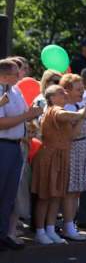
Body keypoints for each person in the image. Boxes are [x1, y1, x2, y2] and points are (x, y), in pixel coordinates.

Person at [31, 85, 86, 244]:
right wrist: (80, 113)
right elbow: (67, 116)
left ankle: (50, 228)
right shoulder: (53, 110)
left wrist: (81, 116)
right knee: (45, 196)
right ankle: (40, 231)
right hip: (49, 156)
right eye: (60, 93)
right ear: (51, 98)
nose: (64, 94)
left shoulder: (64, 111)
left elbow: (73, 134)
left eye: (64, 92)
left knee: (56, 195)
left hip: (62, 156)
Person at [0, 60, 42, 248]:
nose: (20, 76)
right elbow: (1, 123)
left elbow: (23, 115)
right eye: (16, 73)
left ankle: (4, 235)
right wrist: (26, 116)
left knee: (10, 194)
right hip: (3, 146)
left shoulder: (15, 90)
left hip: (16, 146)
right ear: (4, 75)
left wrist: (32, 116)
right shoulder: (1, 91)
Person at [60, 74, 86, 241]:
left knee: (77, 191)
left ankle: (70, 225)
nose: (82, 92)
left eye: (82, 88)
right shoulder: (66, 107)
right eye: (78, 89)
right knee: (70, 191)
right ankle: (67, 227)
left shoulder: (79, 104)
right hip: (72, 149)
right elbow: (72, 135)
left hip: (83, 147)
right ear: (67, 90)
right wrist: (82, 115)